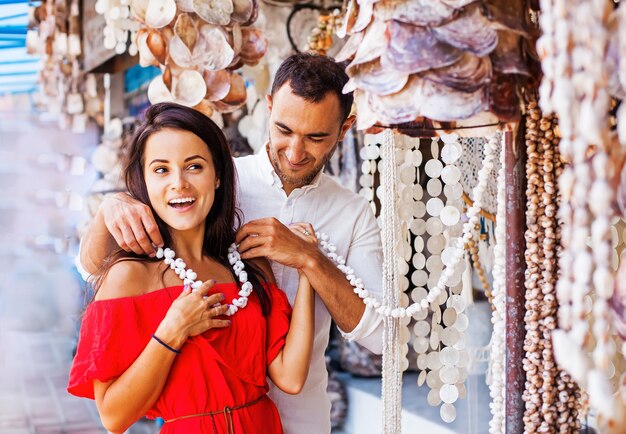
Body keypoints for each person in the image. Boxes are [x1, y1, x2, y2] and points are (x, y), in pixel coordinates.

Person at [80, 53, 384, 434]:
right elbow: (95, 269)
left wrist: (311, 261)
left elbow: (380, 338)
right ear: (269, 108)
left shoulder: (353, 213)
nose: (294, 151)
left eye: (316, 137)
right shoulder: (203, 181)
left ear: (345, 129)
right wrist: (111, 208)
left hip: (302, 417)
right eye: (284, 130)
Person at [68, 103, 316, 433]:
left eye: (194, 166)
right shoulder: (129, 276)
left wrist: (308, 266)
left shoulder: (246, 264)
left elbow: (290, 377)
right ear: (143, 180)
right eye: (161, 170)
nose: (179, 183)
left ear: (216, 176)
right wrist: (173, 329)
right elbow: (113, 417)